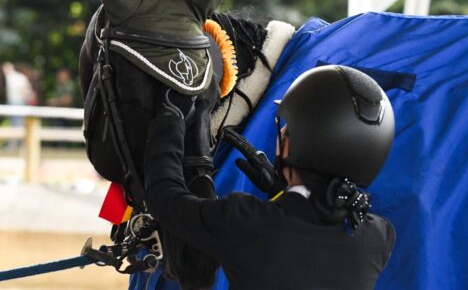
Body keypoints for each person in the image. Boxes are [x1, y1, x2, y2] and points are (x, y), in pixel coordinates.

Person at [143, 65, 396, 289]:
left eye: (285, 129)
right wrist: (279, 192)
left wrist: (171, 119)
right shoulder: (378, 237)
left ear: (289, 147)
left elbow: (164, 198)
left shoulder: (244, 221)